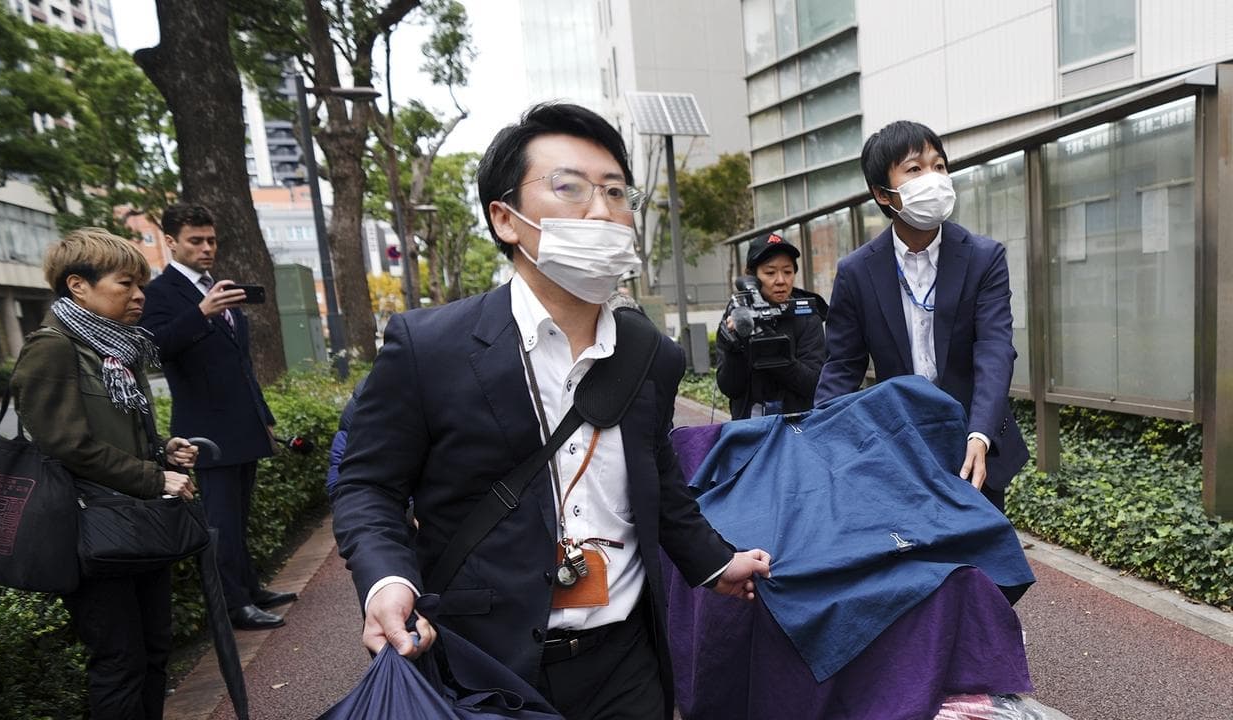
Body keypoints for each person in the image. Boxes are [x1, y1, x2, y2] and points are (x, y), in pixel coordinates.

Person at [332, 102, 772, 720]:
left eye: (617, 192)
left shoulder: (650, 353)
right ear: (505, 219)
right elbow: (368, 485)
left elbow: (657, 483)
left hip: (627, 661)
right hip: (483, 662)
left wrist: (717, 563)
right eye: (569, 187)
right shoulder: (428, 348)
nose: (602, 210)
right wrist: (387, 580)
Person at [12, 228, 200, 719]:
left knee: (156, 650)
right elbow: (65, 443)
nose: (140, 296)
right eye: (126, 284)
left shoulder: (117, 346)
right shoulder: (53, 347)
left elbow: (116, 432)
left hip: (136, 522)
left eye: (142, 285)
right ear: (78, 285)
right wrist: (153, 478)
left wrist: (163, 451)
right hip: (90, 528)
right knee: (120, 662)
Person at [813, 120, 1029, 511]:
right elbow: (842, 367)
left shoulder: (984, 258)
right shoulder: (857, 272)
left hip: (975, 445)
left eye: (940, 166)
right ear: (883, 193)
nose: (933, 178)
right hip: (898, 451)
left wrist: (979, 434)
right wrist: (820, 441)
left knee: (985, 566)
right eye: (915, 169)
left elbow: (995, 350)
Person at [140, 204, 296, 630]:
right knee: (221, 522)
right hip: (204, 428)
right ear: (170, 242)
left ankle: (250, 587)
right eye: (196, 241)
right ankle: (234, 606)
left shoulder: (218, 287)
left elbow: (241, 363)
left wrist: (263, 416)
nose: (207, 248)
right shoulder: (160, 293)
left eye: (211, 240)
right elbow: (154, 349)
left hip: (241, 421)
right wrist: (201, 313)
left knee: (239, 515)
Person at [715, 232, 827, 419]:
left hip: (798, 428)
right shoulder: (737, 315)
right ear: (752, 277)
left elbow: (813, 383)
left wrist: (772, 349)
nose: (781, 281)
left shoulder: (807, 316)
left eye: (788, 271)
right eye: (770, 272)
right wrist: (733, 348)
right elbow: (730, 388)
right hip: (750, 427)